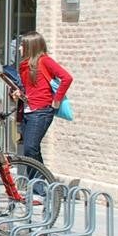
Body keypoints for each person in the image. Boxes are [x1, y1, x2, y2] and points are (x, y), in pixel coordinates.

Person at [14, 31, 72, 176]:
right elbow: (29, 89)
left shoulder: (45, 61)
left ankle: (39, 189)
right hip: (28, 111)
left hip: (41, 111)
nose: (19, 48)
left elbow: (67, 78)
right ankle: (41, 186)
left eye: (22, 45)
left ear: (31, 47)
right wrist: (18, 94)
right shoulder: (24, 66)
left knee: (30, 149)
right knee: (32, 152)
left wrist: (56, 100)